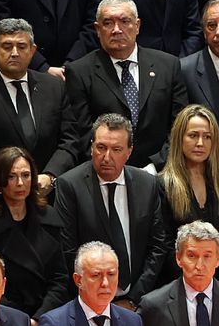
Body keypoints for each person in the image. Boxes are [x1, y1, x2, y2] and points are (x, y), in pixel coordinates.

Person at [47, 115, 173, 310]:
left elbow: (157, 246)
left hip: (138, 301)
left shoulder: (147, 184)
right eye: (101, 148)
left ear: (129, 151)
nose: (107, 157)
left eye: (116, 150)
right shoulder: (69, 185)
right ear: (91, 147)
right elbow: (68, 250)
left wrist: (134, 298)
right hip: (87, 302)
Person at [61, 0, 191, 171]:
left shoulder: (168, 66)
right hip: (105, 173)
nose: (116, 29)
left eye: (124, 21)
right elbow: (83, 135)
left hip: (161, 173)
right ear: (97, 29)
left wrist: (155, 165)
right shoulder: (80, 72)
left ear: (137, 25)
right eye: (108, 23)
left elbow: (179, 126)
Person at [0, 19, 78, 202]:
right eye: (7, 46)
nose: (14, 53)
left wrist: (50, 175)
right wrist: (18, 178)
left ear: (33, 51)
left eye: (21, 46)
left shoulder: (54, 86)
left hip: (49, 194)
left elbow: (69, 140)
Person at [0, 147, 66, 318]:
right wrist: (20, 322)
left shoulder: (49, 216)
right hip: (3, 316)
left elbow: (59, 280)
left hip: (47, 315)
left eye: (26, 175)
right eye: (12, 177)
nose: (20, 183)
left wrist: (39, 319)